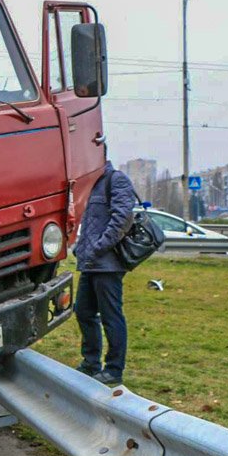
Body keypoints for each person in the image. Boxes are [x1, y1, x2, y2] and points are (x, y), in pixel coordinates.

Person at [73, 160, 136, 385]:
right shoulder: (88, 185)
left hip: (107, 264)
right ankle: (91, 363)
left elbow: (123, 218)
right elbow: (89, 223)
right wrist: (80, 249)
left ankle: (114, 369)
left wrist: (99, 246)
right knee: (83, 311)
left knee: (111, 316)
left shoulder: (115, 180)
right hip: (90, 262)